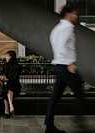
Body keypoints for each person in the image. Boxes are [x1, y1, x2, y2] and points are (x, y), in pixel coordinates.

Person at [44, 4, 85, 133]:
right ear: (68, 14)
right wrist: (70, 63)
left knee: (55, 97)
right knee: (80, 94)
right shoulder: (67, 27)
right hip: (65, 66)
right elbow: (61, 46)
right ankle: (80, 125)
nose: (76, 16)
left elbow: (55, 44)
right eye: (74, 14)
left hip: (59, 66)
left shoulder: (57, 28)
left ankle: (49, 126)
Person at [0, 50, 22, 118]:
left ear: (12, 57)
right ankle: (11, 107)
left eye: (7, 56)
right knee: (6, 87)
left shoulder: (18, 67)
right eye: (6, 55)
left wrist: (7, 79)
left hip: (15, 86)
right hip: (7, 85)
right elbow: (1, 73)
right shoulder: (4, 65)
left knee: (7, 87)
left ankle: (6, 111)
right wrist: (1, 77)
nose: (6, 57)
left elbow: (14, 78)